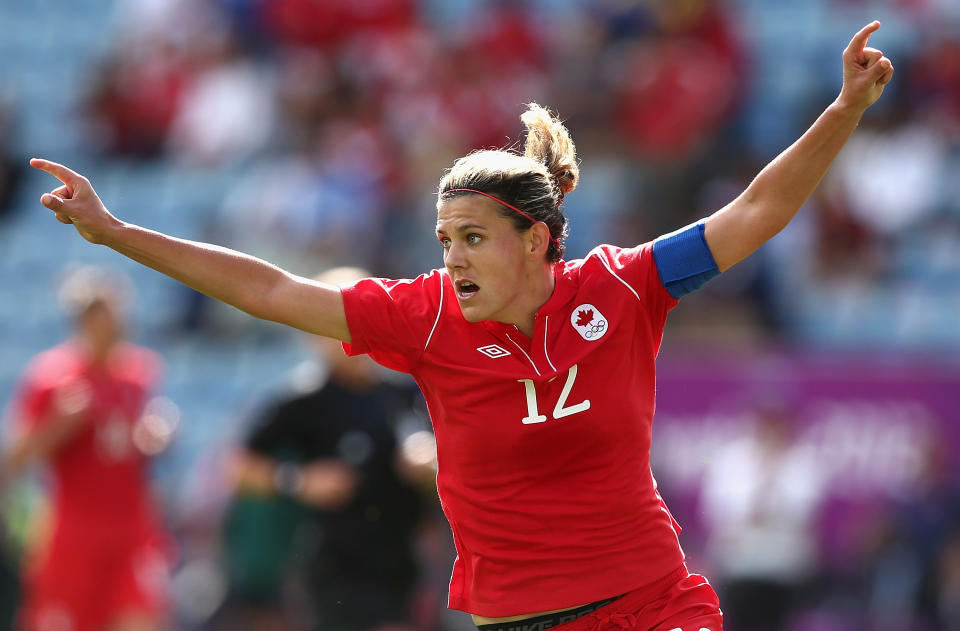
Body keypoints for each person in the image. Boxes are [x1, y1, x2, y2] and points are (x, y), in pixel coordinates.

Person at [28, 22, 894, 631]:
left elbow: (753, 210)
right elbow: (271, 288)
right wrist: (118, 232)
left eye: (473, 239)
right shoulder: (424, 316)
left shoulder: (625, 287)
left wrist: (845, 109)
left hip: (652, 604)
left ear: (539, 239)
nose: (454, 260)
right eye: (445, 240)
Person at [217, 266, 434, 631]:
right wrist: (298, 481)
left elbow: (438, 459)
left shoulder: (404, 393)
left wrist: (429, 465)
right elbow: (238, 469)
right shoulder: (301, 400)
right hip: (335, 566)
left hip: (402, 563)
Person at [0, 266, 176, 631]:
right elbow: (15, 458)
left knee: (143, 618)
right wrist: (58, 426)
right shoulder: (52, 377)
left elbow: (149, 436)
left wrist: (158, 435)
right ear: (83, 320)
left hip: (132, 529)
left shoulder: (140, 372)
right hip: (74, 534)